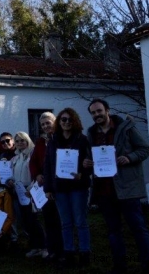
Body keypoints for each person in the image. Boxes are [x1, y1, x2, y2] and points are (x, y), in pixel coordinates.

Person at [85, 98, 149, 274]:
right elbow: (91, 157)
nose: (97, 115)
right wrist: (87, 163)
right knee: (113, 231)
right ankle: (120, 266)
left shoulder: (126, 128)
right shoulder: (91, 133)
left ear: (107, 110)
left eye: (99, 111)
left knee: (138, 229)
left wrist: (129, 158)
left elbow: (145, 149)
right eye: (93, 113)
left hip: (127, 188)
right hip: (104, 190)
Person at [43, 108, 92, 268]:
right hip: (60, 188)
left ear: (75, 121)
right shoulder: (53, 141)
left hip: (78, 187)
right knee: (65, 223)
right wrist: (48, 188)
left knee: (80, 221)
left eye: (70, 120)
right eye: (63, 119)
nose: (66, 122)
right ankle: (69, 253)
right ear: (59, 122)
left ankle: (85, 253)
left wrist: (83, 174)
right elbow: (48, 166)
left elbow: (90, 163)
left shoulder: (82, 140)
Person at [6, 131, 47, 259]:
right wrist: (10, 180)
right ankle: (35, 247)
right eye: (17, 141)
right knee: (25, 221)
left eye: (22, 140)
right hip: (19, 191)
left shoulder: (33, 155)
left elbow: (38, 171)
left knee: (34, 220)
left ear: (28, 141)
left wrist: (32, 188)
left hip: (32, 190)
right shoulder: (16, 157)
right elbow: (11, 174)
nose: (19, 143)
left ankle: (44, 246)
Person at [29, 112, 63, 261]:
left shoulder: (62, 138)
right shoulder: (40, 142)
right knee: (49, 219)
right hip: (45, 186)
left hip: (61, 184)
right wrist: (37, 174)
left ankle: (64, 250)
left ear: (55, 122)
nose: (45, 126)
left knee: (62, 220)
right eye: (43, 124)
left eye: (48, 123)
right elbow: (33, 161)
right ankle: (52, 250)